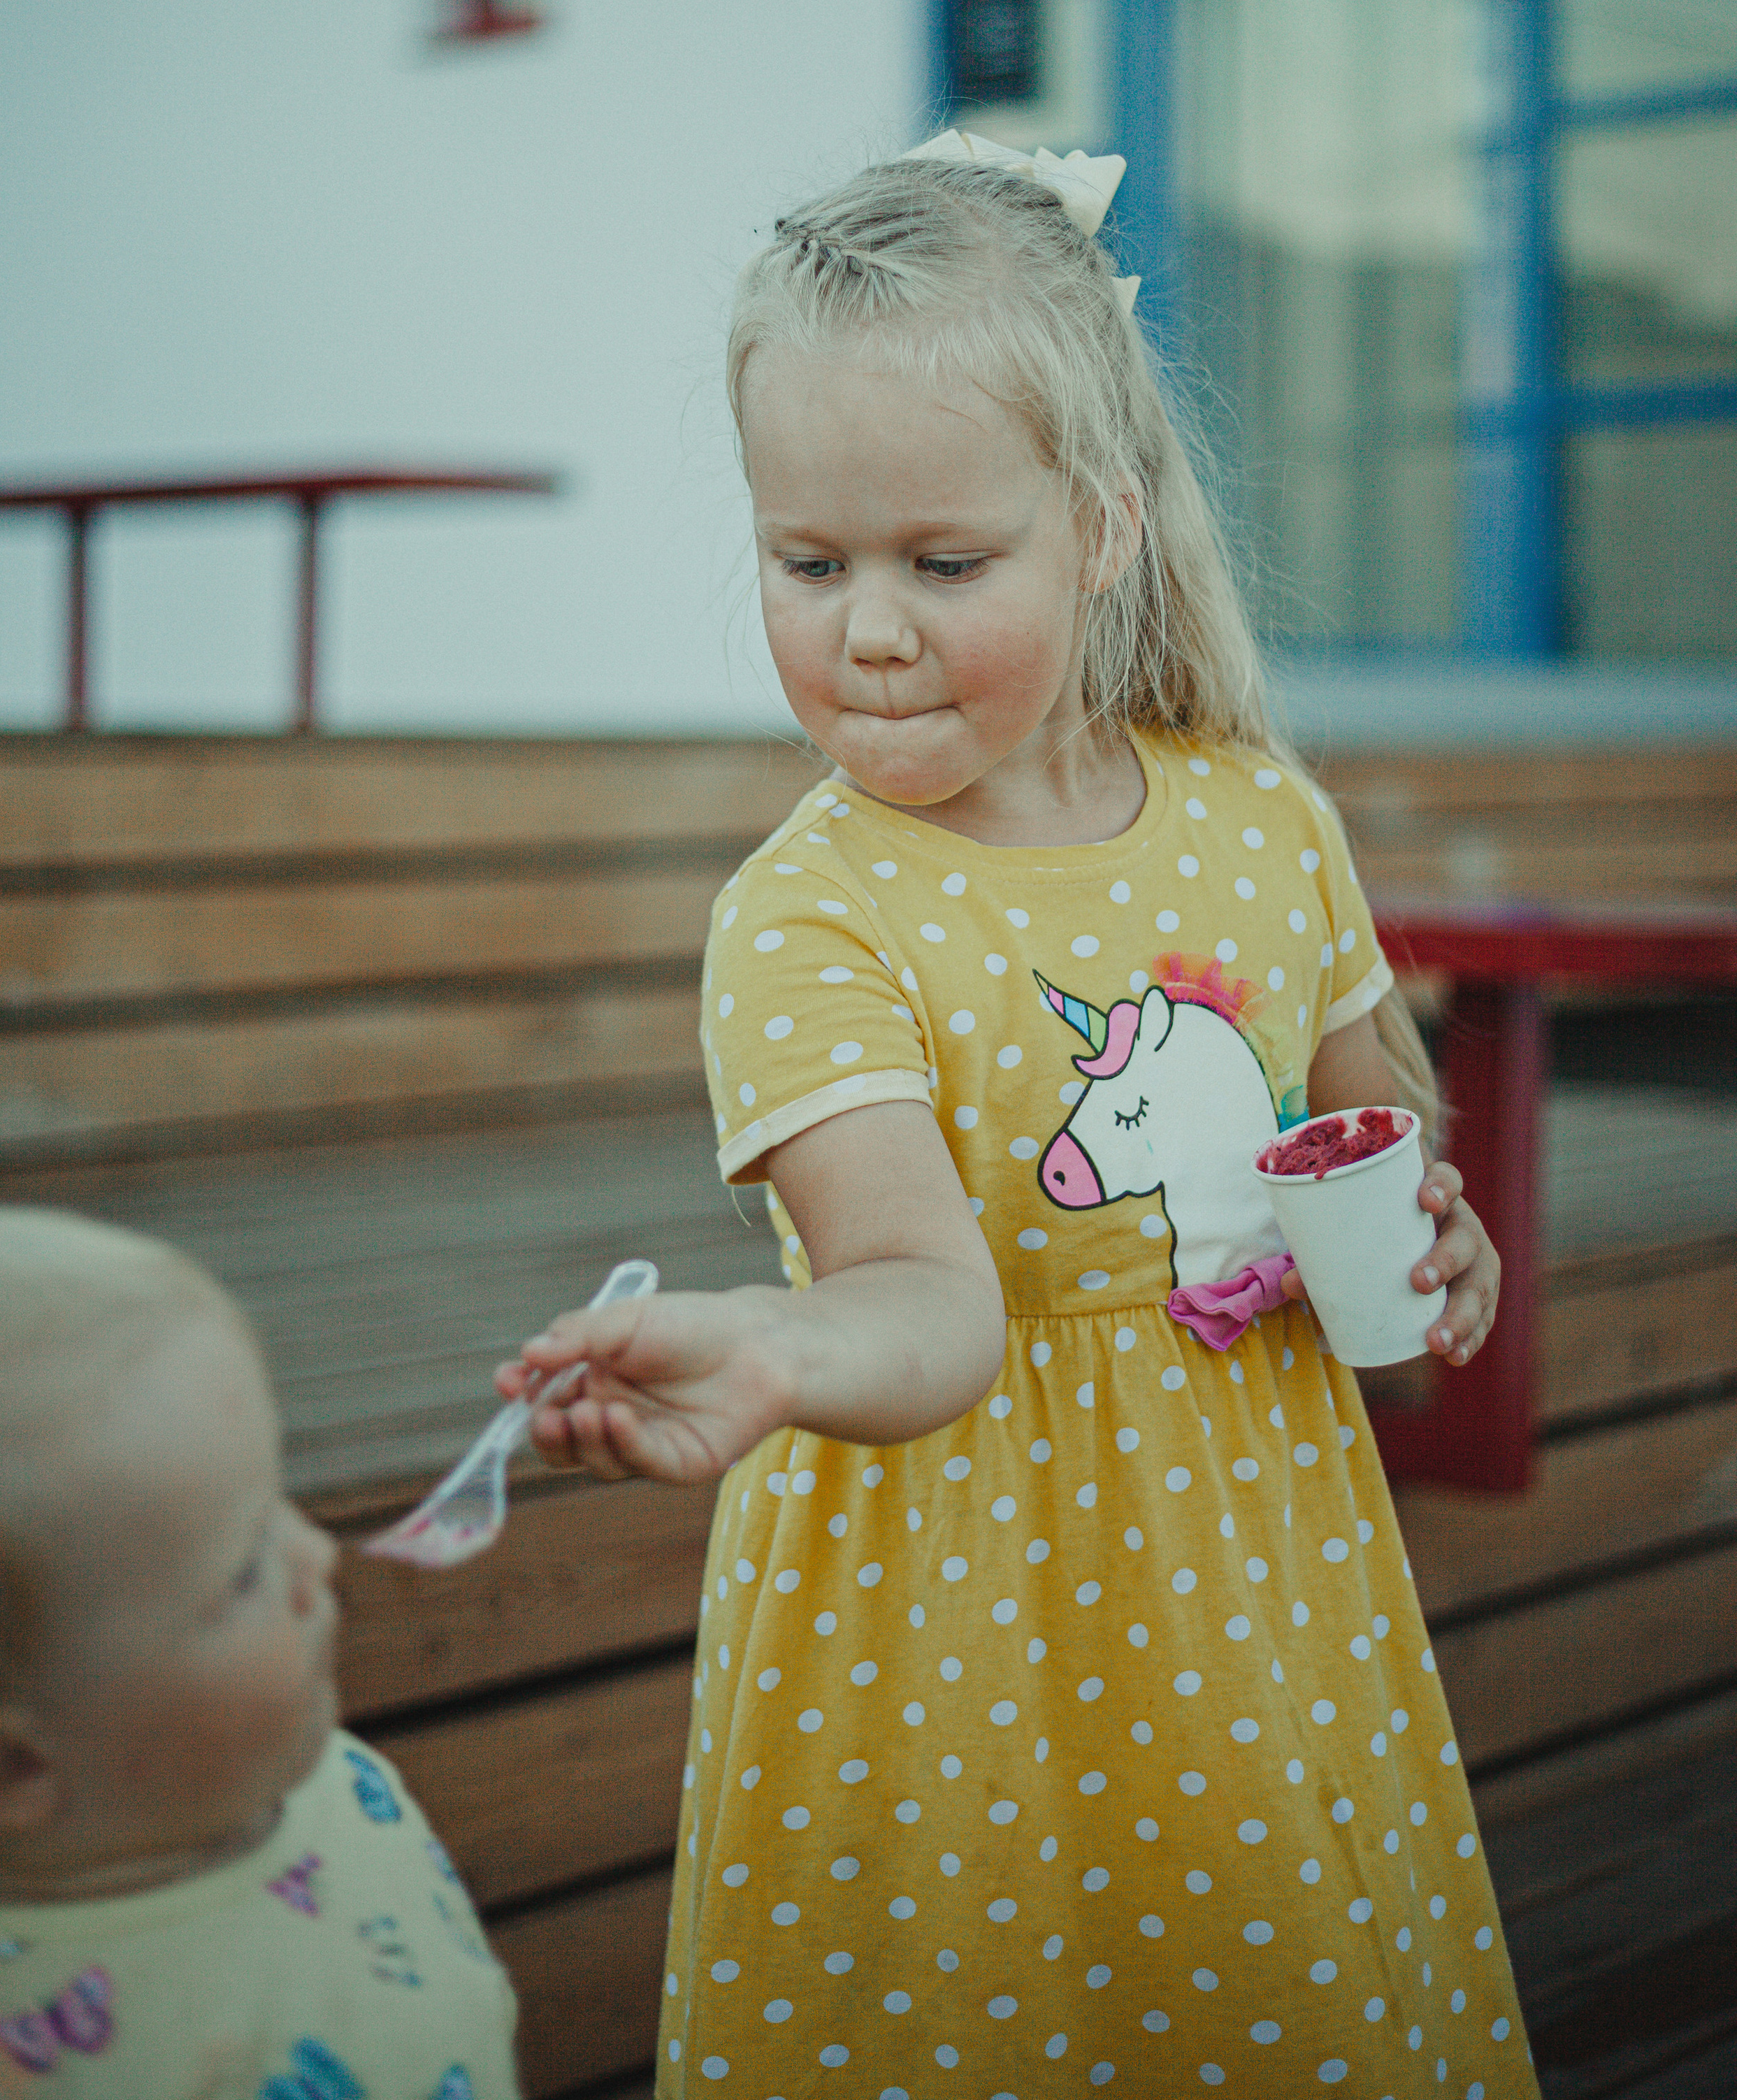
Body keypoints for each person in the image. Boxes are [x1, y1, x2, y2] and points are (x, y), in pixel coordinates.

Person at [503, 134, 1536, 2094]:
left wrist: (1434, 1230)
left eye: (943, 563)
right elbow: (922, 1286)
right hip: (953, 1625)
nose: (869, 629)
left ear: (1103, 530)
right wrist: (775, 1346)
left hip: (1255, 1582)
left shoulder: (1261, 821)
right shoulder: (812, 916)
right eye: (810, 563)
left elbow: (1368, 1127)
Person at [0, 1207, 521, 2100]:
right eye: (246, 1567)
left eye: (278, 1497)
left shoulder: (317, 1777)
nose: (317, 1554)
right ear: (3, 1770)